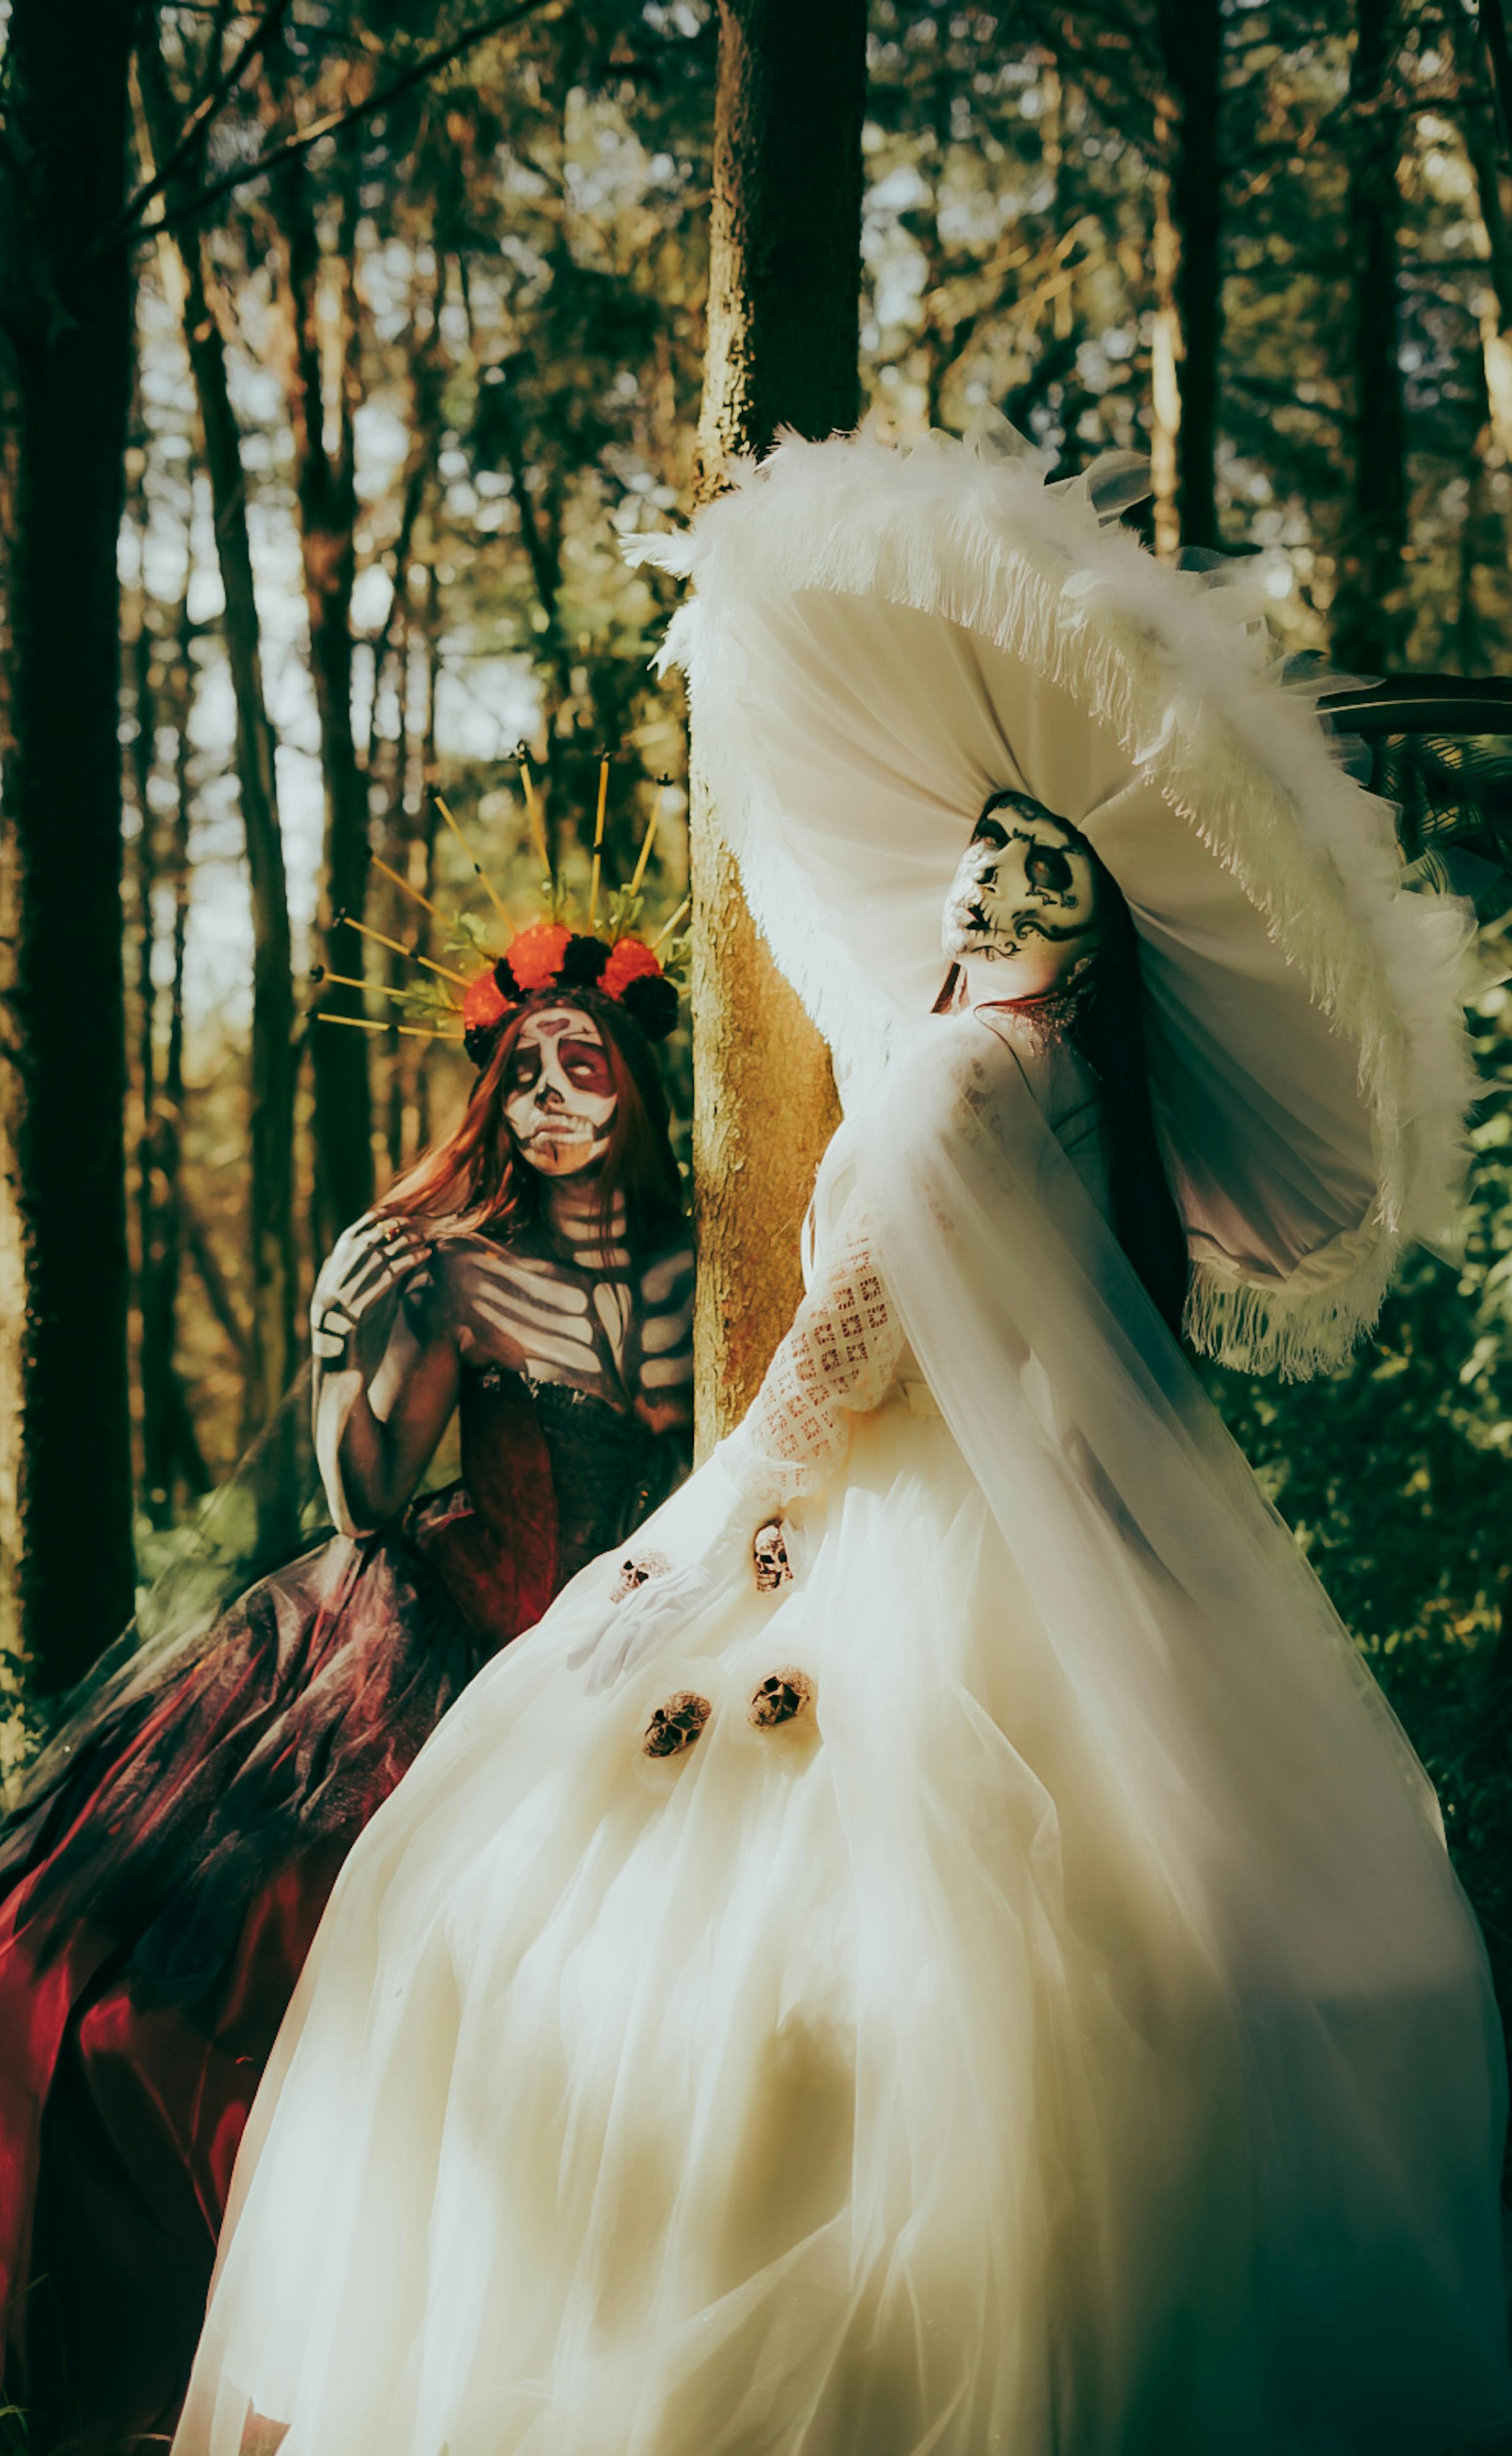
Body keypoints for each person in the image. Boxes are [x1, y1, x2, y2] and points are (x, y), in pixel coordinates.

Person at [175, 421, 1512, 2456]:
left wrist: (703, 1549)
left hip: (868, 1528)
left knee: (580, 1914)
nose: (977, 890)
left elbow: (841, 1352)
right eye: (980, 860)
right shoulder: (1074, 1088)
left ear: (1062, 918)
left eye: (1020, 870)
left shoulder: (962, 1082)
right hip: (1030, 1528)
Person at [0, 921, 692, 2455]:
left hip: (635, 1643)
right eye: (523, 1077)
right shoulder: (460, 1273)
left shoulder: (704, 1255)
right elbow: (369, 1492)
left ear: (639, 1084)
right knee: (226, 1957)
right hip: (429, 1641)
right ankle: (242, 2340)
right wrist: (336, 1335)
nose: (553, 1099)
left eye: (584, 1067)